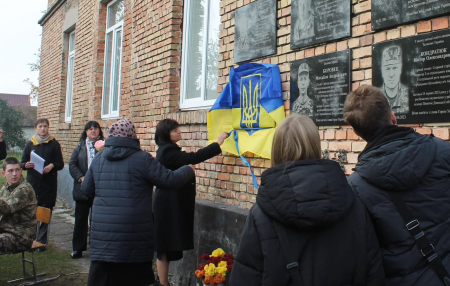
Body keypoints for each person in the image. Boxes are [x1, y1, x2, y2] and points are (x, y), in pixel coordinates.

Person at [343, 86, 450, 286]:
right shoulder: (442, 151)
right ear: (393, 116)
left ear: (355, 132)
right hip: (441, 276)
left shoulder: (356, 185)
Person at [230, 115, 385, 286]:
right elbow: (373, 273)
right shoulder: (353, 204)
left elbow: (246, 277)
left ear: (277, 150)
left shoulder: (261, 215)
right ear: (315, 146)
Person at [81, 118, 194, 286]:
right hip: (134, 236)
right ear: (132, 136)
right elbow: (168, 180)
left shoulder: (99, 159)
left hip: (103, 238)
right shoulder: (142, 159)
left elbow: (86, 190)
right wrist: (187, 170)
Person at [153, 119, 228, 286]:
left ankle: (163, 283)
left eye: (178, 128)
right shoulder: (167, 152)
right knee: (164, 248)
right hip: (166, 206)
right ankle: (163, 284)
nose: (179, 132)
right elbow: (193, 157)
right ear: (167, 134)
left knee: (165, 247)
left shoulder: (168, 150)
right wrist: (217, 144)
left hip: (168, 204)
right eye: (175, 130)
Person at [21, 118, 64, 247]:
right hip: (33, 183)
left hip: (48, 183)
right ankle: (31, 239)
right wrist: (26, 164)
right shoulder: (30, 144)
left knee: (45, 211)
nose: (42, 129)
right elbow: (22, 162)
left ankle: (41, 241)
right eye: (40, 126)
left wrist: (51, 166)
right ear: (36, 129)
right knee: (32, 212)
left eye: (45, 126)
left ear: (48, 128)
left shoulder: (54, 144)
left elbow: (60, 164)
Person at [69, 121, 104, 259]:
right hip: (83, 188)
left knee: (97, 219)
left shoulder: (105, 146)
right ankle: (78, 248)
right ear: (86, 132)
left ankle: (97, 247)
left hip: (99, 188)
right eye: (90, 129)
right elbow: (72, 164)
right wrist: (80, 177)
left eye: (95, 129)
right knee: (81, 218)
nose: (93, 131)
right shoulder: (80, 147)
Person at [0, 157, 37, 254]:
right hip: (7, 228)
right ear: (3, 174)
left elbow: (7, 207)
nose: (14, 174)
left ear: (21, 171)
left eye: (17, 170)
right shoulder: (6, 188)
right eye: (10, 171)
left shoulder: (24, 189)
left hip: (22, 235)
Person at [378, 45, 409, 113]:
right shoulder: (376, 96)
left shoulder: (409, 95)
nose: (391, 74)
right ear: (382, 71)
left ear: (400, 69)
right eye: (387, 69)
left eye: (395, 68)